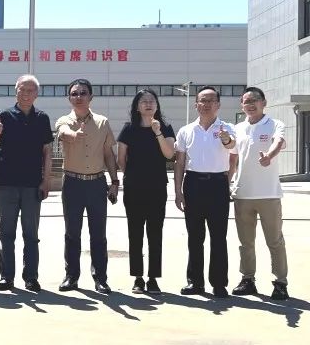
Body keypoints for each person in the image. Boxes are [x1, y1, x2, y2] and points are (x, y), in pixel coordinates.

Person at [0, 74, 53, 292]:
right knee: (6, 232)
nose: (26, 94)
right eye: (22, 90)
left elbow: (47, 151)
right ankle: (6, 276)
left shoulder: (42, 118)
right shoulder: (4, 116)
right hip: (7, 183)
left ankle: (31, 277)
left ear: (36, 94)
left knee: (31, 234)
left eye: (30, 90)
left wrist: (46, 180)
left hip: (32, 184)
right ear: (16, 92)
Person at [55, 79, 119, 294]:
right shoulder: (64, 120)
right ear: (69, 98)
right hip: (72, 183)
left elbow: (108, 154)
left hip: (97, 184)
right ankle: (71, 277)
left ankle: (100, 278)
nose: (79, 97)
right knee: (72, 233)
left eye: (83, 93)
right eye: (74, 93)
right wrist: (74, 135)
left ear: (91, 97)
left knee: (98, 234)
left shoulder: (102, 122)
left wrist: (114, 182)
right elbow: (63, 132)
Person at [174, 86, 237, 298]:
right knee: (195, 237)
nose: (206, 104)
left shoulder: (227, 128)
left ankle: (219, 283)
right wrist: (178, 191)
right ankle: (195, 282)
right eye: (203, 100)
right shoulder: (186, 130)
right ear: (196, 105)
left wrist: (225, 139)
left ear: (218, 104)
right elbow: (180, 162)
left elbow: (232, 148)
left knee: (218, 236)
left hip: (218, 184)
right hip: (193, 184)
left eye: (211, 100)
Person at [230, 86, 289, 300]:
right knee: (246, 243)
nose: (250, 104)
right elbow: (233, 158)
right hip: (243, 194)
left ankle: (280, 282)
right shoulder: (238, 128)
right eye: (246, 101)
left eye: (254, 100)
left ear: (263, 103)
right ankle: (248, 280)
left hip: (268, 194)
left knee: (275, 241)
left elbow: (278, 142)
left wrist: (269, 157)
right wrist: (227, 183)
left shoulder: (275, 124)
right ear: (242, 105)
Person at [116, 88, 175, 294]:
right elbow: (121, 160)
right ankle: (138, 277)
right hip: (134, 188)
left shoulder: (165, 128)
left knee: (155, 233)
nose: (148, 104)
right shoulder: (128, 129)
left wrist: (157, 132)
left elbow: (169, 154)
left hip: (157, 187)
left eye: (152, 101)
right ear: (137, 107)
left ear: (157, 106)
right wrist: (133, 176)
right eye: (144, 101)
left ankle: (153, 278)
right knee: (135, 233)